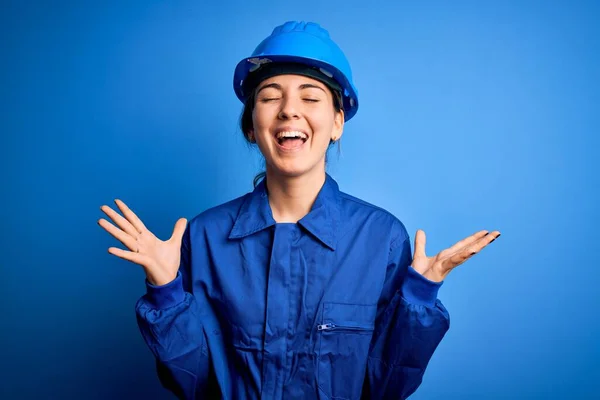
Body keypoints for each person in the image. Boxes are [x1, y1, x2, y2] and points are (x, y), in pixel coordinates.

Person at [98, 21, 500, 400]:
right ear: (252, 128)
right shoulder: (204, 237)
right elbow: (194, 384)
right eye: (270, 97)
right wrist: (166, 290)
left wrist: (420, 295)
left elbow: (386, 388)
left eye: (310, 97)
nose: (289, 110)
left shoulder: (381, 238)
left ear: (338, 122)